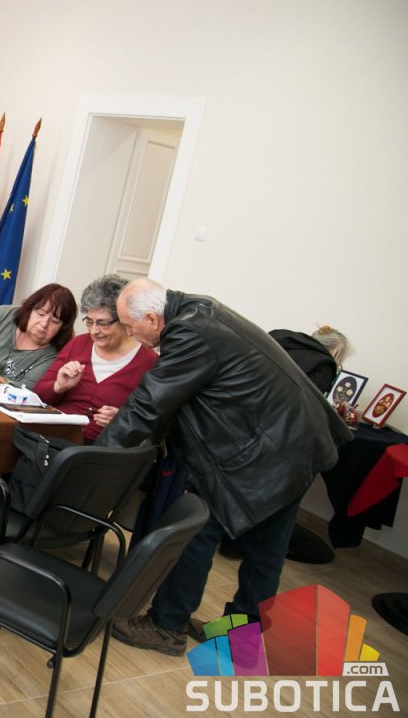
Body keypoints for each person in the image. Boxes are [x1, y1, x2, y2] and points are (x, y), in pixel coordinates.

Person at [100, 278, 351, 656]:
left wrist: (99, 461)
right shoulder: (199, 310)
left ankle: (166, 624)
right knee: (268, 548)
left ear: (152, 318)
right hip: (302, 441)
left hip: (271, 448)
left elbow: (149, 404)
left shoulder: (189, 333)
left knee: (197, 531)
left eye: (130, 326)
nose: (130, 334)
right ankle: (241, 635)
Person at [33, 274, 157, 442]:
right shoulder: (78, 344)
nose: (94, 331)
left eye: (103, 323)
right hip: (52, 436)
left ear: (124, 319)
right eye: (89, 322)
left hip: (101, 448)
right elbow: (37, 397)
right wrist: (58, 386)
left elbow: (153, 423)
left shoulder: (149, 362)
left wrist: (122, 420)